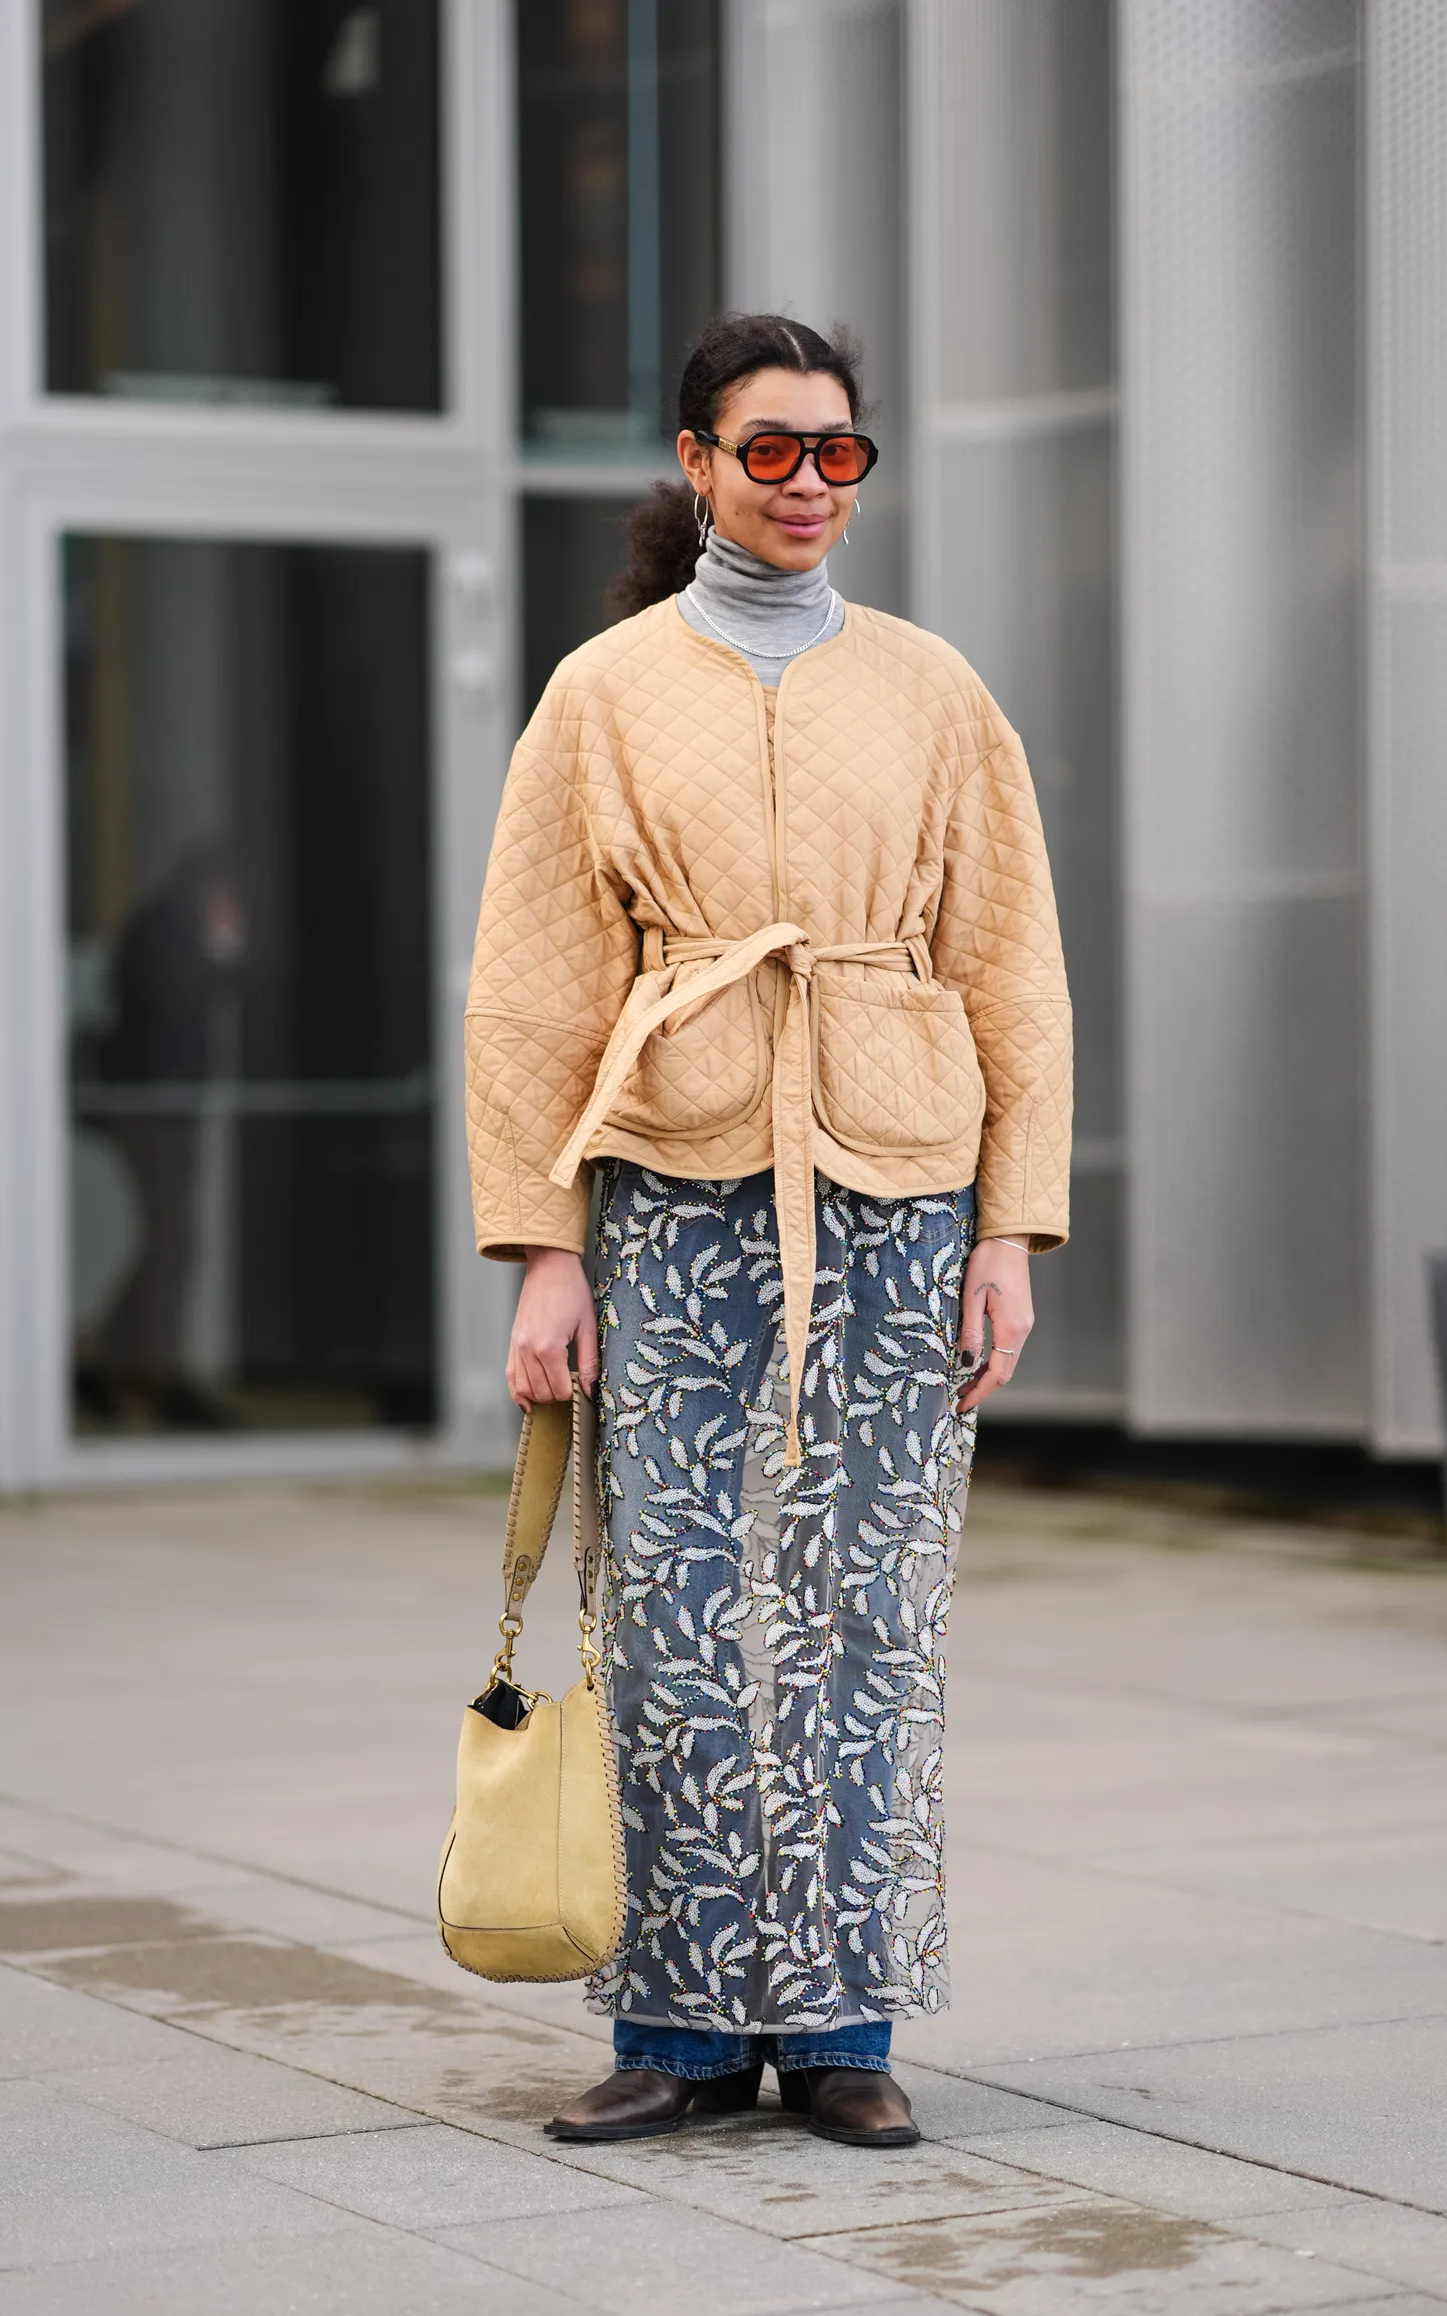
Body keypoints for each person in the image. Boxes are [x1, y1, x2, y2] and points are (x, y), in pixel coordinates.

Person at [465, 313, 1072, 2147]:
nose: (810, 482)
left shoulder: (937, 689)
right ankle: (673, 2023)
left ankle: (842, 2025)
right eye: (772, 449)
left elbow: (1013, 969)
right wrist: (542, 1246)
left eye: (839, 452)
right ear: (696, 458)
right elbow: (528, 989)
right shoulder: (603, 689)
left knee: (861, 1614)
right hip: (669, 1184)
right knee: (669, 1608)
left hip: (897, 1190)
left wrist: (1010, 1231)